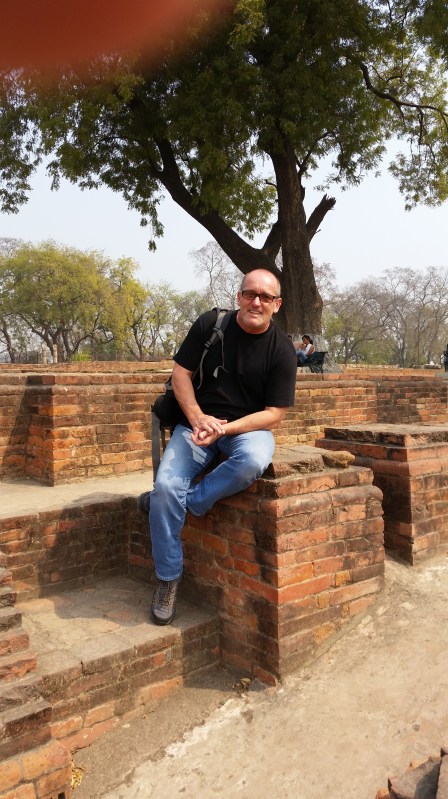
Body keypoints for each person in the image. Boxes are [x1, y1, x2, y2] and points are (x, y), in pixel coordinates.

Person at [140, 268, 297, 625]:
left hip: (244, 429)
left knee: (253, 459)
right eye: (250, 294)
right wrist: (198, 419)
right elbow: (180, 374)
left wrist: (224, 430)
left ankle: (185, 504)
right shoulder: (211, 325)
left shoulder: (282, 350)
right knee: (166, 486)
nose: (256, 302)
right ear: (239, 296)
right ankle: (167, 578)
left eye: (265, 297)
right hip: (196, 425)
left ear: (276, 304)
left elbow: (274, 414)